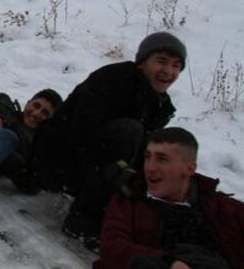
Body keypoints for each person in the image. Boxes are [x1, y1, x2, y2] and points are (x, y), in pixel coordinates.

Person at [32, 31, 187, 250]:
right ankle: (81, 219)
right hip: (56, 160)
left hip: (89, 165)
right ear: (142, 62)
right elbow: (81, 130)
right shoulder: (113, 79)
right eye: (161, 61)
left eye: (176, 66)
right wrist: (117, 170)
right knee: (130, 131)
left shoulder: (159, 103)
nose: (168, 71)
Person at [97, 127, 244, 269]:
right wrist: (169, 263)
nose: (150, 167)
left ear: (190, 169)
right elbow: (113, 247)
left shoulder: (220, 207)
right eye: (148, 157)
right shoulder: (129, 201)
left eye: (162, 159)